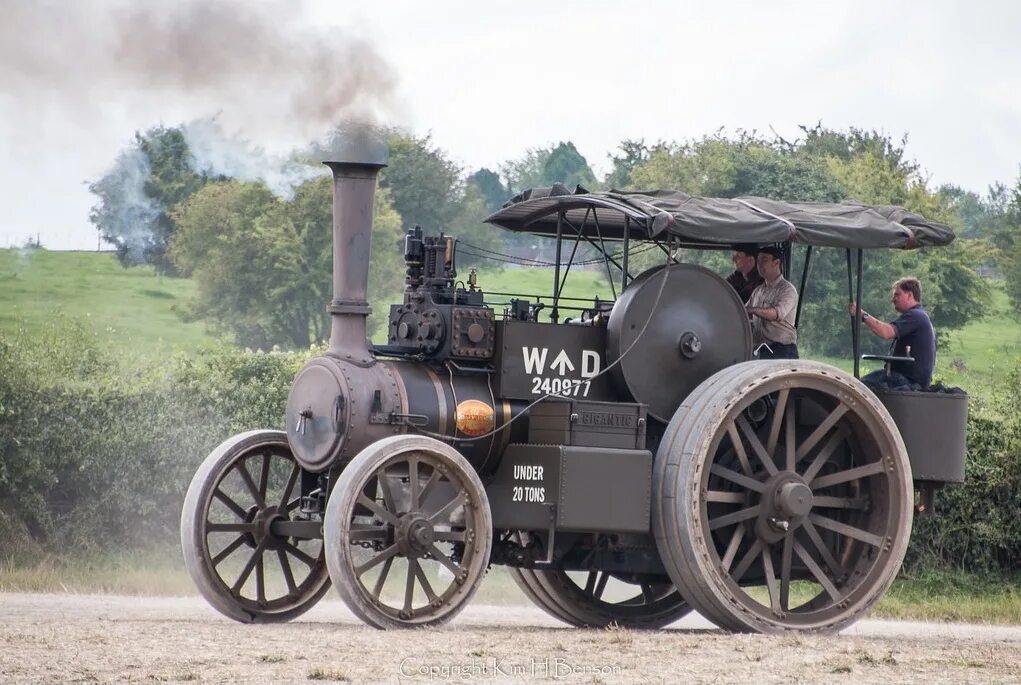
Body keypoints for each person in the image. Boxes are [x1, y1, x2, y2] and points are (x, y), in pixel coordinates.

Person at [848, 276, 935, 388]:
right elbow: (882, 330)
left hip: (910, 381)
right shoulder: (916, 316)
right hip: (906, 378)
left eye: (897, 294)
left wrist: (861, 314)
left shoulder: (916, 316)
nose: (892, 299)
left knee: (858, 387)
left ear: (909, 295)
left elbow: (886, 332)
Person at [746, 246, 799, 359]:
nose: (759, 264)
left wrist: (753, 309)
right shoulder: (758, 290)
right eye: (758, 261)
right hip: (761, 349)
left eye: (764, 260)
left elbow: (777, 314)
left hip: (783, 351)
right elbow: (744, 311)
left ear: (777, 262)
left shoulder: (787, 289)